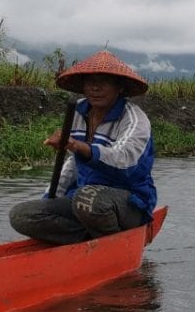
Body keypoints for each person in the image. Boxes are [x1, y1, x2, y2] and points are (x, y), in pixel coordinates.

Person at [10, 50, 157, 245]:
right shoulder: (79, 111)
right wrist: (50, 199)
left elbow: (125, 161)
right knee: (22, 215)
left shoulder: (135, 119)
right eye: (90, 82)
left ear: (119, 87)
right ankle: (87, 240)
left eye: (103, 82)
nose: (95, 88)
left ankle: (115, 246)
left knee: (87, 199)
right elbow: (73, 164)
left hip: (127, 203)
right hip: (84, 203)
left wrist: (80, 147)